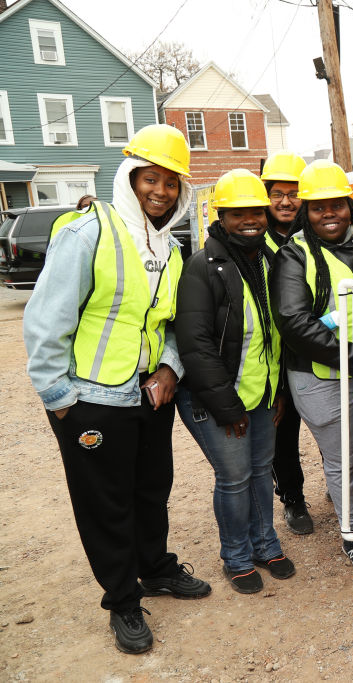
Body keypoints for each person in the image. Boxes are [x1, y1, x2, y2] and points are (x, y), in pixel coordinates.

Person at [23, 124, 211, 655]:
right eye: (150, 179)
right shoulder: (89, 232)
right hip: (92, 400)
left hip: (150, 400)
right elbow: (46, 318)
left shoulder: (169, 248)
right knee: (106, 503)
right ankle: (123, 600)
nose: (160, 191)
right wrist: (58, 398)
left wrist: (170, 367)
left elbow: (170, 323)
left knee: (151, 492)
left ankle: (155, 569)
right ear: (130, 177)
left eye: (171, 183)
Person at [175, 169, 294, 594]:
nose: (251, 220)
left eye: (256, 212)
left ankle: (265, 544)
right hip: (216, 400)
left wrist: (276, 391)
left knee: (262, 471)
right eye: (238, 213)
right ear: (221, 217)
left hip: (259, 394)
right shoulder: (203, 267)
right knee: (234, 477)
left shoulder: (268, 260)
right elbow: (195, 344)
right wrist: (227, 406)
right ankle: (237, 557)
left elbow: (272, 335)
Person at [270, 160, 353, 572]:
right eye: (318, 207)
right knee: (341, 459)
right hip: (320, 378)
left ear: (350, 205)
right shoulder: (293, 256)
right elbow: (294, 323)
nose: (328, 213)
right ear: (306, 211)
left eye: (336, 204)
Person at [260, 152, 315, 535]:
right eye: (276, 193)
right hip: (273, 357)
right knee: (283, 432)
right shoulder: (251, 240)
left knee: (333, 425)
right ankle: (293, 499)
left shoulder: (315, 237)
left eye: (293, 193)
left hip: (316, 350)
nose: (285, 201)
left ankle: (338, 484)